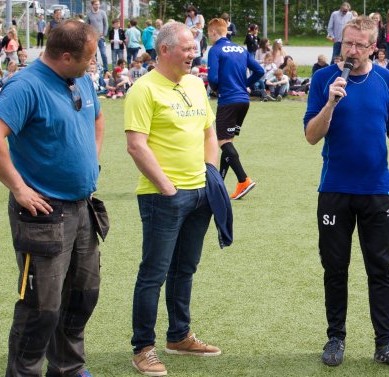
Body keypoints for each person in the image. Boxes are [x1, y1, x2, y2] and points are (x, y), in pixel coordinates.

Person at [0, 19, 105, 376]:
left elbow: (97, 117)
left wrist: (92, 162)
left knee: (82, 296)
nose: (93, 63)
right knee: (41, 309)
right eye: (89, 57)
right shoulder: (26, 85)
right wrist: (19, 188)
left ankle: (67, 368)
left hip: (83, 209)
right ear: (66, 55)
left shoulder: (79, 77)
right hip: (44, 215)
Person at [303, 16, 389, 372]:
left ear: (373, 48)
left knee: (380, 268)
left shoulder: (386, 79)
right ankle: (335, 337)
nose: (349, 50)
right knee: (335, 268)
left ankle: (384, 342)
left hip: (377, 190)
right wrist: (331, 103)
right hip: (335, 189)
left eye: (358, 44)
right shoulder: (324, 79)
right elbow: (311, 135)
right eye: (345, 42)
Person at [125, 21, 221, 377]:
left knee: (186, 268)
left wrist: (210, 176)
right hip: (162, 197)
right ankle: (143, 348)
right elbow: (136, 145)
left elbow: (210, 133)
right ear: (164, 50)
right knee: (154, 273)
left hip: (199, 194)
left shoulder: (196, 84)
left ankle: (179, 336)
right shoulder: (143, 89)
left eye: (194, 47)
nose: (193, 53)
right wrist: (167, 186)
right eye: (186, 48)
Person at [207, 17, 264, 200]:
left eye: (209, 33)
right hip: (243, 100)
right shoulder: (241, 48)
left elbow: (213, 79)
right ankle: (220, 185)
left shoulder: (215, 50)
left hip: (228, 100)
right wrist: (245, 84)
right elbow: (260, 71)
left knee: (223, 141)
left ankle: (243, 180)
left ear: (214, 32)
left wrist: (217, 90)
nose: (208, 37)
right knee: (228, 141)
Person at [86, 0, 108, 72]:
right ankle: (95, 70)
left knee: (104, 54)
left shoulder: (102, 13)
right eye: (96, 4)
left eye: (98, 4)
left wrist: (104, 34)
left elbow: (106, 24)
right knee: (93, 55)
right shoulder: (89, 14)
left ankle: (106, 70)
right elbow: (87, 26)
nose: (97, 6)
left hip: (101, 37)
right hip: (92, 38)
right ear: (92, 5)